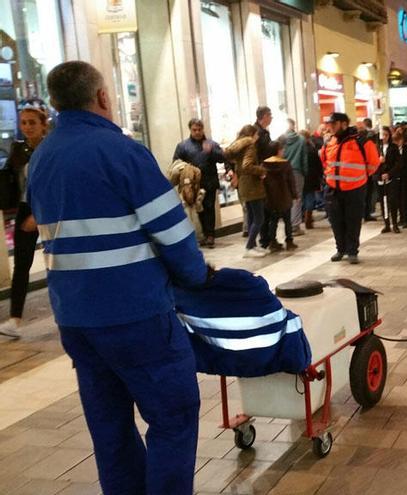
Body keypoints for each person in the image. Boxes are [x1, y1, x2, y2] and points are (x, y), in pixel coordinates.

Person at [28, 61, 207, 494]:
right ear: (104, 98)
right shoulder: (121, 151)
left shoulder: (41, 159)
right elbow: (172, 232)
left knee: (110, 430)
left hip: (76, 320)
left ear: (54, 103)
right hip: (136, 315)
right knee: (173, 416)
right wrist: (196, 276)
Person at [0, 101, 49, 339]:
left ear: (43, 125)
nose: (27, 127)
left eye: (32, 123)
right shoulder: (18, 150)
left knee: (57, 262)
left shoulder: (51, 149)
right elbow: (12, 180)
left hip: (48, 208)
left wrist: (39, 216)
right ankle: (15, 320)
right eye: (24, 123)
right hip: (23, 208)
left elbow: (54, 184)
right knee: (22, 265)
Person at [320, 112, 380, 264]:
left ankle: (352, 251)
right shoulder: (330, 142)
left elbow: (373, 163)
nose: (331, 127)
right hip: (333, 189)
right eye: (330, 124)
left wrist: (362, 177)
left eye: (334, 124)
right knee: (336, 221)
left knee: (352, 221)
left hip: (355, 188)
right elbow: (325, 162)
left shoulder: (361, 141)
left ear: (344, 124)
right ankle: (341, 249)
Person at [172, 118, 225, 248]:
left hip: (210, 183)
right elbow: (176, 163)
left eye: (199, 130)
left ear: (203, 129)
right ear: (190, 130)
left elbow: (222, 158)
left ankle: (210, 235)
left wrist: (212, 151)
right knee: (197, 210)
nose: (197, 132)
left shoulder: (211, 144)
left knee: (209, 208)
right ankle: (201, 235)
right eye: (194, 130)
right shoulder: (183, 146)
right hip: (193, 185)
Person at [225, 125, 267, 258]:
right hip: (252, 186)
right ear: (252, 134)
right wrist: (261, 170)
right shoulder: (250, 145)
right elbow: (247, 165)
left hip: (244, 185)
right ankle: (249, 246)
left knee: (251, 216)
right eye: (256, 134)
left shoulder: (239, 146)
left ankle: (252, 245)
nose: (258, 137)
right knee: (259, 217)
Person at [261, 146, 297, 251]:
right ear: (278, 151)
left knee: (273, 221)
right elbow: (291, 181)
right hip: (284, 196)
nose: (283, 151)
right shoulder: (285, 164)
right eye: (282, 150)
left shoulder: (264, 164)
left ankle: (272, 242)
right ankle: (289, 241)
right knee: (287, 220)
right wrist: (294, 194)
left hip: (271, 198)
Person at [283, 119, 307, 237]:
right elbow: (304, 158)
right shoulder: (301, 140)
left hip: (283, 171)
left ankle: (288, 224)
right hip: (297, 171)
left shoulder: (281, 139)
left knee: (286, 198)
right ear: (294, 126)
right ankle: (295, 225)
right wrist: (304, 172)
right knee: (297, 198)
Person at [378, 129, 402, 233]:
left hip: (391, 178)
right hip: (379, 178)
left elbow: (398, 164)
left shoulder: (394, 147)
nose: (384, 137)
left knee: (392, 201)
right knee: (383, 203)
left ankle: (395, 224)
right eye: (382, 135)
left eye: (386, 135)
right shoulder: (376, 148)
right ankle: (386, 223)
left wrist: (389, 173)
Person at [301, 129, 323, 229]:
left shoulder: (298, 149)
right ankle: (308, 219)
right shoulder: (312, 149)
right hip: (311, 177)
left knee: (301, 198)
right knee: (310, 197)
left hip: (300, 176)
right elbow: (318, 165)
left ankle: (301, 217)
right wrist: (320, 175)